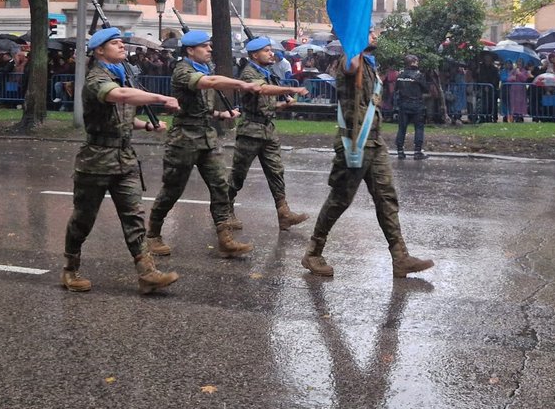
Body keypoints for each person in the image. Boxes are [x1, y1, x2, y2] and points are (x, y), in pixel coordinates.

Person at [301, 29, 435, 279]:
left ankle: (400, 257)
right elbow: (351, 66)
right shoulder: (350, 61)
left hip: (373, 143)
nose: (376, 35)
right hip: (354, 144)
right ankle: (313, 253)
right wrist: (353, 37)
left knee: (387, 198)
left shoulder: (369, 65)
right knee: (340, 200)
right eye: (370, 32)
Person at [60, 27, 182, 294]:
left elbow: (123, 116)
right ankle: (70, 269)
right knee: (83, 219)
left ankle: (147, 272)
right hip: (96, 160)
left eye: (121, 43)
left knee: (134, 216)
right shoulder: (96, 79)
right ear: (100, 50)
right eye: (115, 43)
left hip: (124, 159)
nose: (122, 46)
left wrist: (145, 126)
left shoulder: (122, 76)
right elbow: (121, 97)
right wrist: (162, 98)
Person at [145, 30, 263, 257]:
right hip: (184, 140)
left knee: (220, 186)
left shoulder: (203, 69)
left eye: (210, 45)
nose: (210, 49)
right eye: (204, 46)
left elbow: (204, 108)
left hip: (206, 138)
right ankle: (152, 234)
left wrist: (220, 115)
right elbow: (209, 82)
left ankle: (225, 239)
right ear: (190, 50)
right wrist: (243, 84)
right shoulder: (183, 71)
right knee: (172, 189)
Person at [227, 36, 310, 231]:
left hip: (267, 130)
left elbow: (268, 105)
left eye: (270, 50)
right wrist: (290, 87)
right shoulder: (249, 73)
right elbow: (262, 91)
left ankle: (284, 213)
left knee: (276, 172)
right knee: (239, 174)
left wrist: (284, 104)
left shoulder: (266, 72)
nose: (271, 53)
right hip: (251, 131)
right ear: (254, 55)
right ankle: (226, 210)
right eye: (266, 51)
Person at [394, 54, 429, 159]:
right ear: (413, 62)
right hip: (416, 104)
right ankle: (417, 152)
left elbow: (396, 89)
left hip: (403, 104)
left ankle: (400, 151)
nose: (418, 63)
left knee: (402, 128)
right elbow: (426, 89)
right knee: (419, 128)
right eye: (416, 61)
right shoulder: (419, 75)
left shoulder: (400, 76)